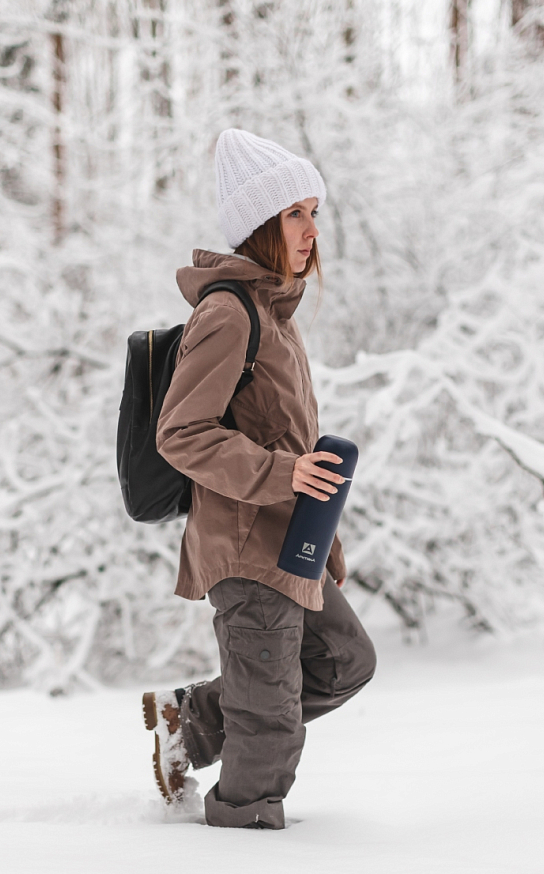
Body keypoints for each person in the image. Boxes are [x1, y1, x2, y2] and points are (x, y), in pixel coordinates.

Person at [143, 128, 376, 830]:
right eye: (294, 214)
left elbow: (292, 440)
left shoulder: (276, 316)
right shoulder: (227, 312)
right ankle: (242, 846)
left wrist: (322, 534)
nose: (310, 230)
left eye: (313, 212)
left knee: (343, 660)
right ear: (258, 224)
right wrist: (283, 475)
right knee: (271, 725)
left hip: (291, 541)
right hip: (245, 546)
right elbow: (180, 432)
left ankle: (192, 719)